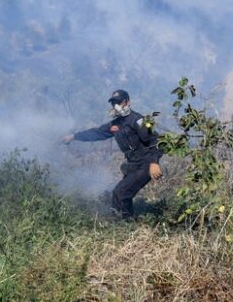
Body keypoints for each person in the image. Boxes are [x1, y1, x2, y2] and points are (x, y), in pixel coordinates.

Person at [62, 89, 163, 219]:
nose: (116, 106)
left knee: (121, 193)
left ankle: (124, 226)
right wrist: (74, 136)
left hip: (146, 164)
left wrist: (154, 162)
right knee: (120, 194)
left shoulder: (138, 120)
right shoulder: (116, 124)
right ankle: (126, 224)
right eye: (114, 103)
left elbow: (155, 140)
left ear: (127, 102)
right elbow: (97, 133)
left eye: (119, 102)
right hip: (133, 165)